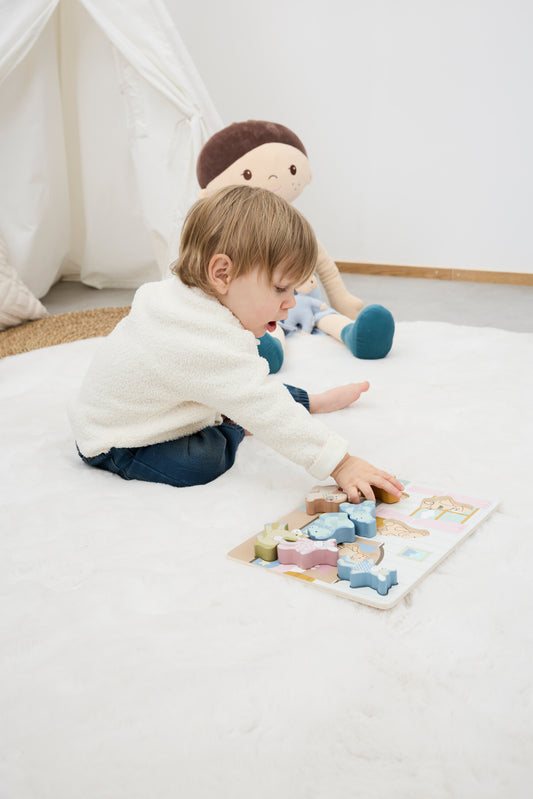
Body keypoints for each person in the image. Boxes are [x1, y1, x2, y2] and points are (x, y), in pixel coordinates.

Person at [70, 185, 402, 503]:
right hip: (123, 442)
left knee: (249, 385)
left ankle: (306, 401)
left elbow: (252, 388)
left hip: (158, 405)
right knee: (201, 462)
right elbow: (265, 407)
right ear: (222, 274)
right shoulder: (198, 341)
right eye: (280, 288)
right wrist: (341, 464)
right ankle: (236, 423)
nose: (291, 302)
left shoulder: (184, 301)